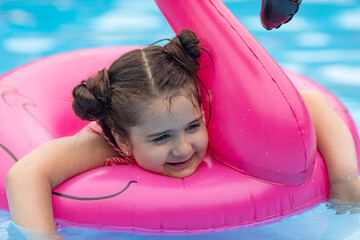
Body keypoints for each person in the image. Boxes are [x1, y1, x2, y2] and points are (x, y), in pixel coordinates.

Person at [5, 29, 360, 238]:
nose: (183, 147)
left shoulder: (213, 114)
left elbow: (309, 104)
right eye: (160, 139)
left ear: (202, 110)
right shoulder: (106, 140)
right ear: (124, 140)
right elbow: (26, 173)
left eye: (192, 127)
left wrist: (344, 181)